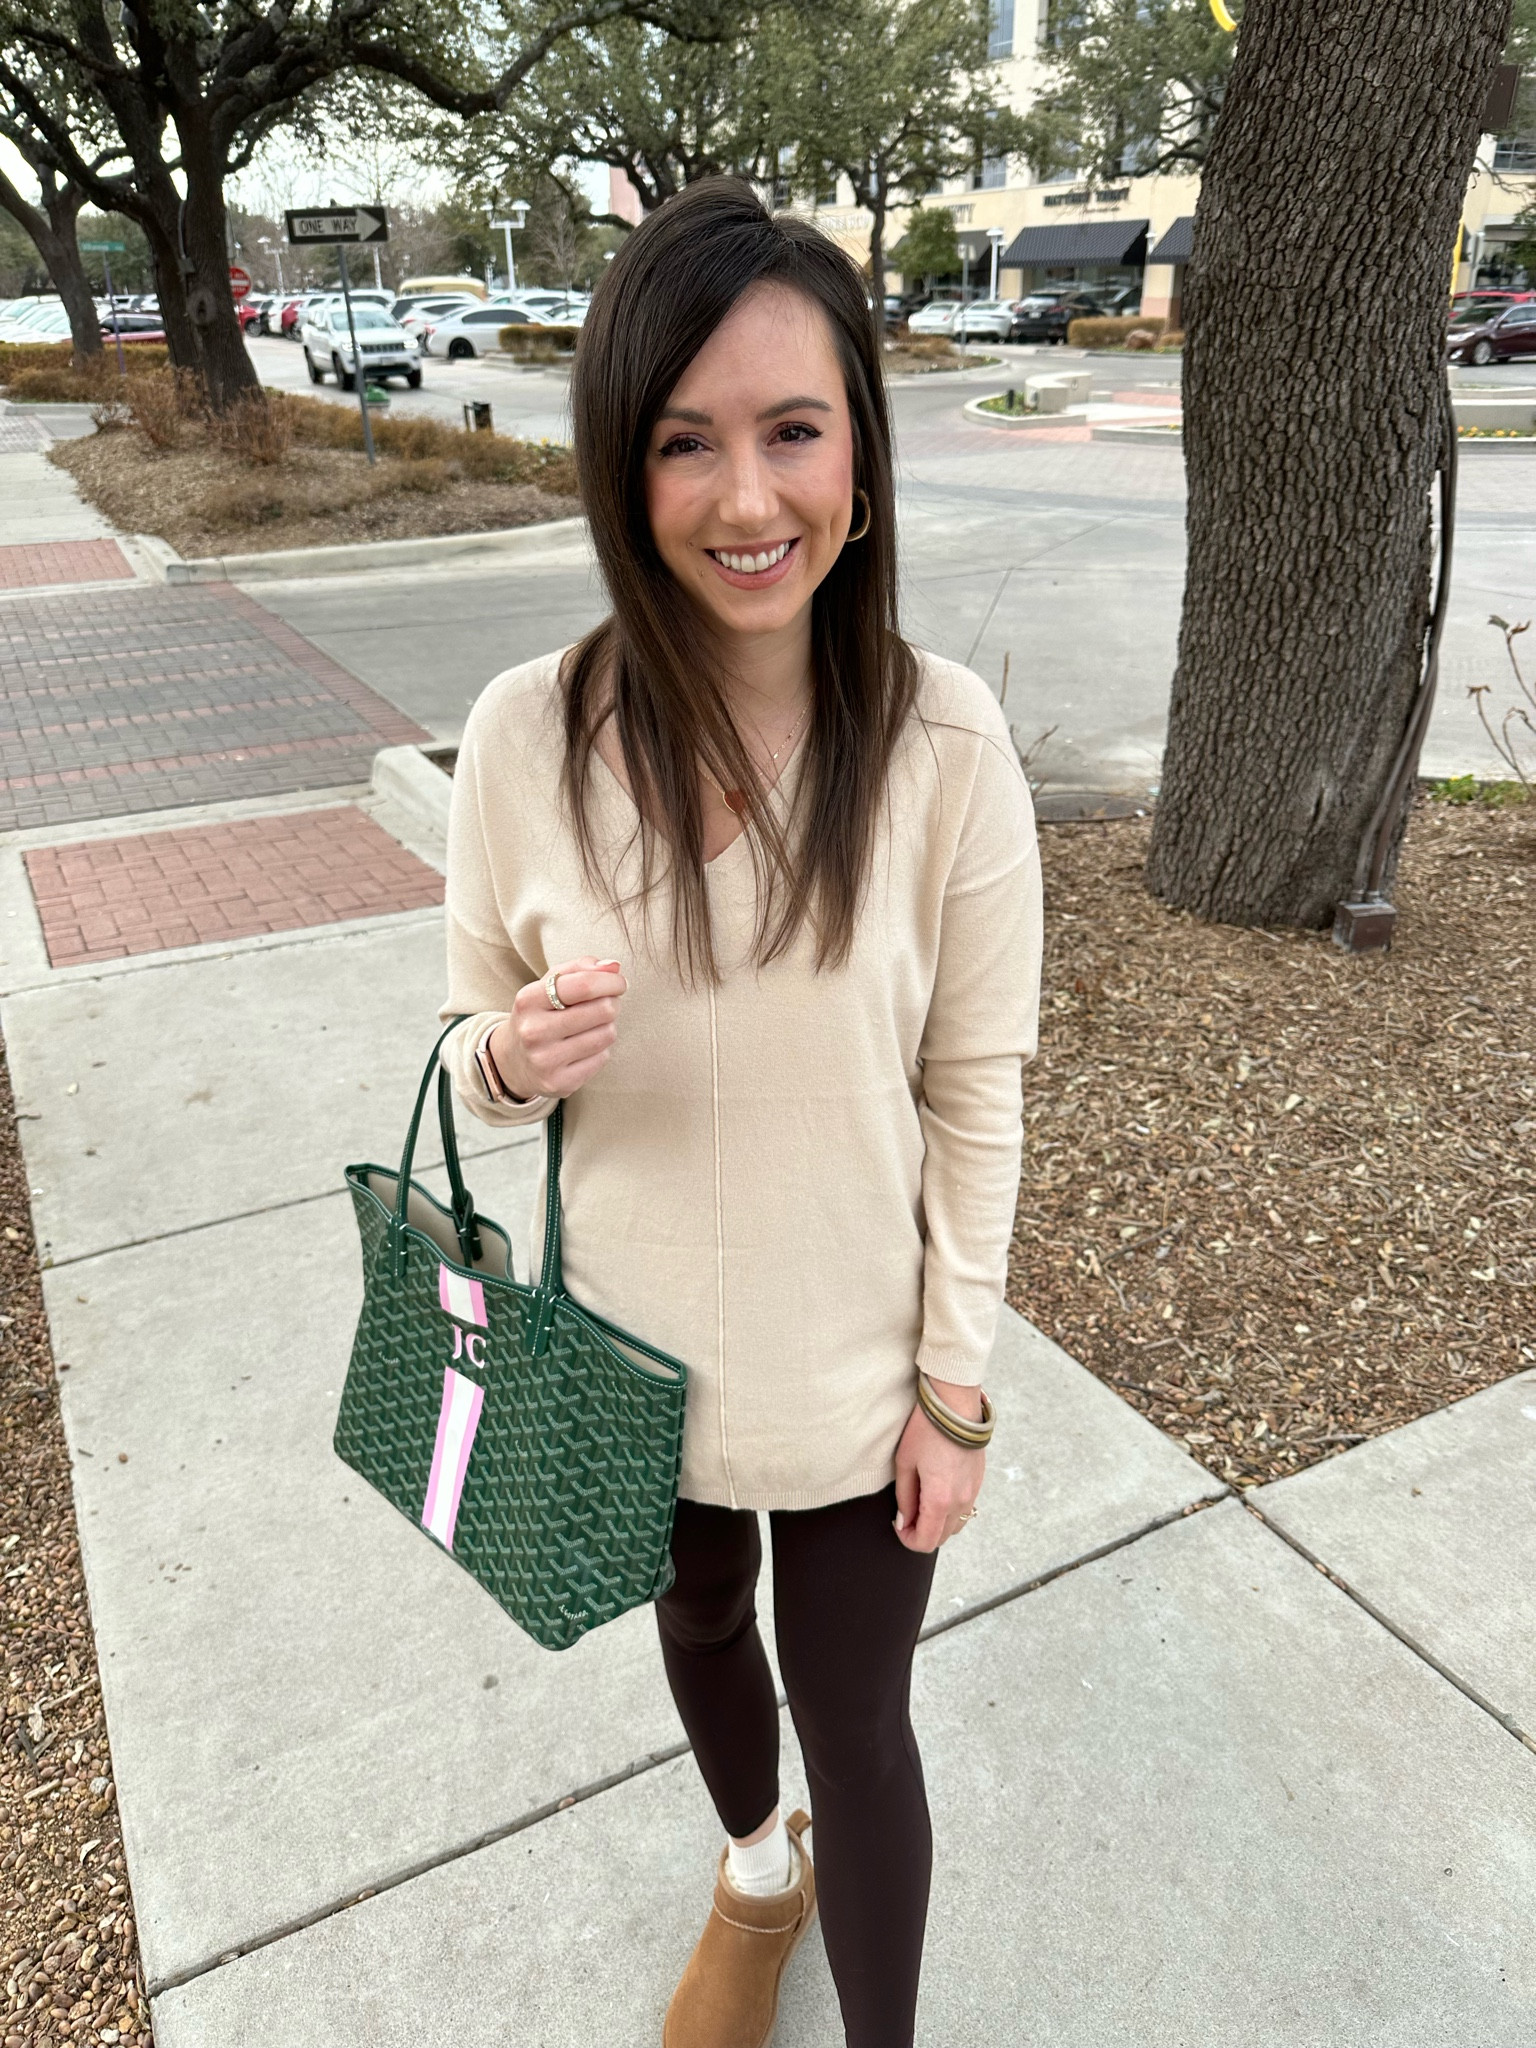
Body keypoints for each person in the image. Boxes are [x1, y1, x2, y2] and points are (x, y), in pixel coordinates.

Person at [440, 178, 1042, 2048]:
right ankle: (753, 1876)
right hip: (629, 1367)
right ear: (623, 470)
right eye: (684, 442)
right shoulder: (526, 736)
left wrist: (955, 1384)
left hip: (859, 1384)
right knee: (700, 1627)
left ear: (860, 453)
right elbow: (461, 1052)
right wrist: (509, 1057)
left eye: (793, 431)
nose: (746, 497)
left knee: (859, 1724)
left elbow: (976, 1092)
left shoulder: (945, 745)